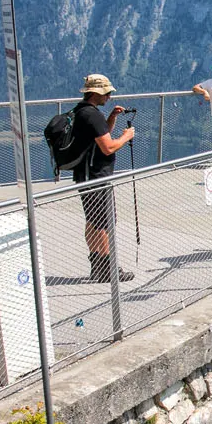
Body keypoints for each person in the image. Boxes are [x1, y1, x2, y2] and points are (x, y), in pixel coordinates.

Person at [72, 74, 136, 283]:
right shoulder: (93, 116)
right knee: (105, 221)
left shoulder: (82, 112)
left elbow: (100, 135)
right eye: (107, 93)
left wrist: (111, 118)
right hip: (98, 175)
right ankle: (109, 269)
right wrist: (126, 137)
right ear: (97, 93)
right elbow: (108, 147)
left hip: (84, 174)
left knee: (92, 220)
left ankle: (97, 267)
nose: (109, 96)